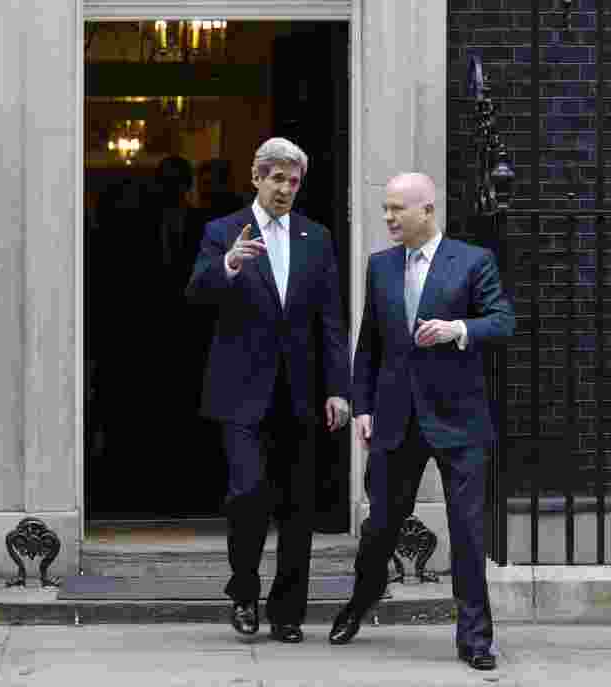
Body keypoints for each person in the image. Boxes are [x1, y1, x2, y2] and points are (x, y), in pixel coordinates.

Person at [328, 172, 515, 671]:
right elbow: (369, 345)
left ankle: (475, 638)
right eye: (386, 208)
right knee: (381, 527)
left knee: (469, 532)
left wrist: (458, 328)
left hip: (459, 420)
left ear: (426, 211)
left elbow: (502, 321)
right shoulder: (381, 265)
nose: (388, 217)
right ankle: (361, 600)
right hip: (394, 417)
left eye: (396, 209)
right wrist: (362, 407)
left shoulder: (472, 261)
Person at [185, 137, 350, 643]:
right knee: (248, 495)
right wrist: (230, 264)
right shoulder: (222, 232)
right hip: (242, 391)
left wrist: (339, 389)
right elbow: (196, 292)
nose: (285, 188)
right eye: (276, 178)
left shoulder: (315, 237)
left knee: (299, 507)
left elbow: (331, 320)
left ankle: (288, 611)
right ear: (256, 178)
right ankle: (243, 594)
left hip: (299, 393)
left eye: (293, 181)